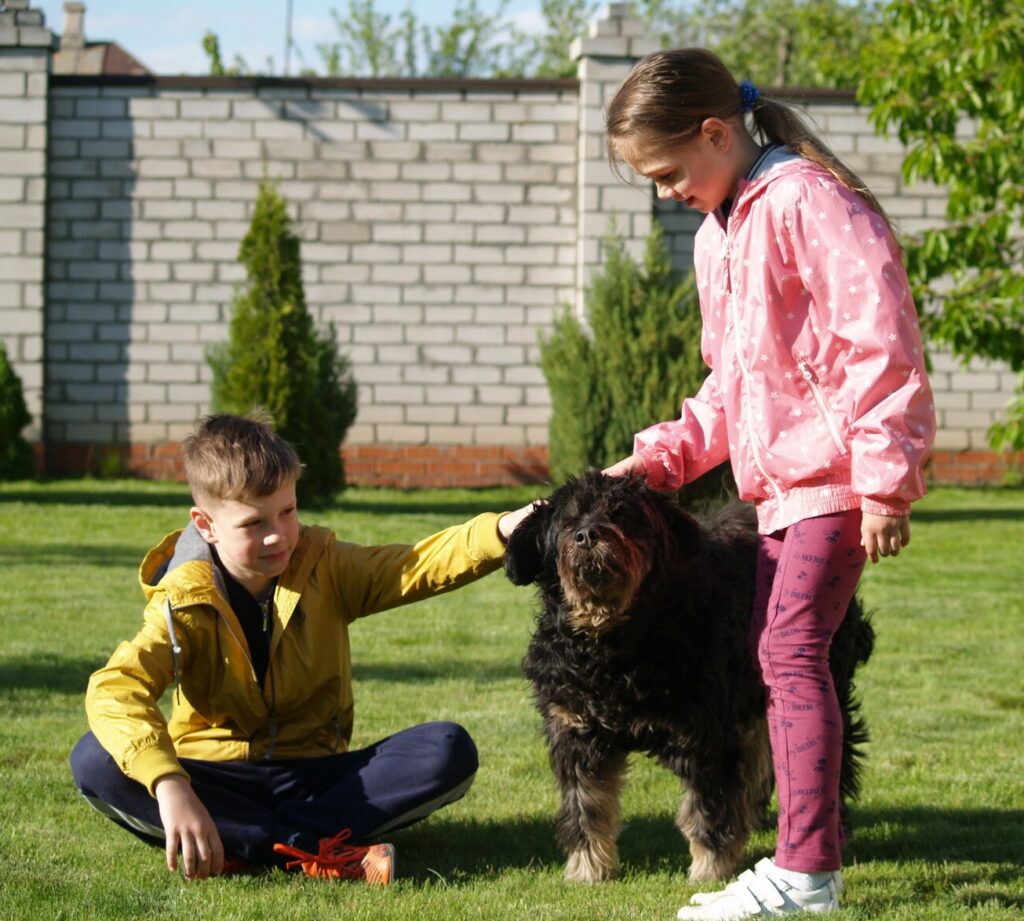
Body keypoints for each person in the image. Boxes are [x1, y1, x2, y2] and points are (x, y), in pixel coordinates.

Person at [601, 49, 936, 919]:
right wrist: (658, 458)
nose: (666, 191)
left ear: (716, 132)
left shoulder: (802, 201)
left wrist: (886, 481)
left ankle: (806, 872)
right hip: (781, 492)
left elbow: (881, 339)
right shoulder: (724, 234)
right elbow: (733, 386)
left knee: (789, 653)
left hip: (833, 482)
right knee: (782, 656)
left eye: (670, 170)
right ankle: (799, 862)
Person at [70, 412, 535, 884]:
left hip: (320, 777)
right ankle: (319, 851)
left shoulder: (325, 565)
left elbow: (413, 565)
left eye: (287, 511)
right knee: (94, 760)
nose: (278, 535)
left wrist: (504, 529)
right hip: (215, 779)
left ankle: (245, 845)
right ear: (205, 524)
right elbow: (116, 689)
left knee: (447, 749)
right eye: (254, 523)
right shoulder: (183, 599)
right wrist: (169, 784)